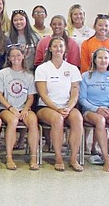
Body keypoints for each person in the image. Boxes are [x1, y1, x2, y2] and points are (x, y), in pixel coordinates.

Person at [35, 37, 84, 172]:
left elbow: (75, 91)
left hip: (67, 105)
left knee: (78, 119)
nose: (58, 49)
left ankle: (73, 158)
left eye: (61, 46)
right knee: (57, 119)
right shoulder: (42, 68)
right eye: (55, 46)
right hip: (47, 107)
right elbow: (43, 94)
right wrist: (57, 108)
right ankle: (58, 158)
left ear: (65, 49)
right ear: (50, 49)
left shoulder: (72, 69)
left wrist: (69, 107)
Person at [0, 46, 39, 170]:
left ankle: (34, 157)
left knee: (33, 121)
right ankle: (9, 157)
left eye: (18, 55)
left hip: (23, 107)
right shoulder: (3, 73)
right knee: (13, 121)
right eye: (13, 56)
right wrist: (10, 108)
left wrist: (25, 109)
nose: (16, 58)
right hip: (6, 108)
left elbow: (30, 97)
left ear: (23, 56)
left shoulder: (29, 75)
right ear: (8, 58)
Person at [79, 47, 109, 172]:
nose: (103, 60)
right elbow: (82, 98)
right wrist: (96, 108)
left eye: (106, 58)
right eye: (100, 57)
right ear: (94, 59)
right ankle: (106, 158)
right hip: (91, 111)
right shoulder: (86, 76)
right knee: (100, 121)